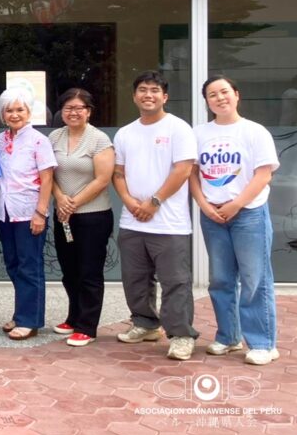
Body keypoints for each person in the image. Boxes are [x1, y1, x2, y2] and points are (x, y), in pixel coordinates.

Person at [190, 76, 280, 366]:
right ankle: (228, 337)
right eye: (212, 94)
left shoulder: (255, 131)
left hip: (249, 213)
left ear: (237, 95)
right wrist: (204, 205)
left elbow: (264, 174)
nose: (219, 98)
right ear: (207, 101)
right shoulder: (199, 133)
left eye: (224, 92)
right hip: (213, 215)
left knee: (255, 279)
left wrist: (236, 204)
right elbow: (192, 174)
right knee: (221, 280)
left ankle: (263, 343)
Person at [112, 70, 199, 360]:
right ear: (134, 96)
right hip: (132, 220)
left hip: (169, 223)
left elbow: (183, 170)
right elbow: (118, 173)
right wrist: (129, 201)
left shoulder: (178, 128)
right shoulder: (125, 133)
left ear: (165, 96)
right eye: (142, 90)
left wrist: (154, 201)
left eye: (154, 90)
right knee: (135, 279)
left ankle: (181, 335)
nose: (148, 95)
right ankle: (145, 324)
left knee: (176, 282)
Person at [49, 89, 115, 347]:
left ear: (89, 111)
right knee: (69, 270)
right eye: (68, 108)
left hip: (92, 216)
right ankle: (73, 316)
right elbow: (48, 174)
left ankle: (87, 325)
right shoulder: (55, 137)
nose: (73, 112)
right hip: (63, 215)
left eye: (79, 108)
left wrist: (73, 203)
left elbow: (102, 179)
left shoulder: (99, 139)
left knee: (89, 271)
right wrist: (60, 198)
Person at [0, 87, 56, 341]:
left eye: (20, 109)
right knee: (13, 264)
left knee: (30, 266)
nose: (14, 114)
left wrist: (40, 212)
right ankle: (21, 313)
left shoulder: (39, 140)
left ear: (29, 112)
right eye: (9, 110)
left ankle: (30, 320)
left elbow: (47, 178)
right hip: (5, 212)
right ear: (2, 114)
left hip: (29, 212)